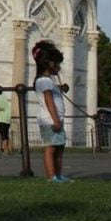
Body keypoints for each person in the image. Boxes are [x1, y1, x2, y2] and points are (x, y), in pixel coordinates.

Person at [32, 39, 72, 183]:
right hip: (50, 120)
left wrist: (61, 88)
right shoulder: (44, 81)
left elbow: (52, 94)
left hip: (56, 119)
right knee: (50, 148)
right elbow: (49, 101)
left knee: (59, 148)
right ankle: (52, 176)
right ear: (50, 63)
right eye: (58, 63)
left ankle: (59, 174)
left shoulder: (48, 81)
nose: (59, 67)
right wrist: (55, 120)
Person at [0, 85, 13, 155]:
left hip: (1, 118)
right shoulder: (5, 97)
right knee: (6, 134)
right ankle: (10, 149)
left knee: (2, 134)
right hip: (7, 118)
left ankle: (5, 150)